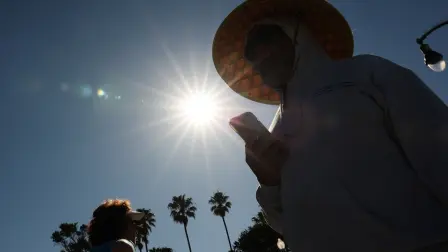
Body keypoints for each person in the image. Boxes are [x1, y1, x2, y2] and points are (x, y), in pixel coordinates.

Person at [212, 0, 448, 251]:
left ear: (296, 33)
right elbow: (285, 224)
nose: (258, 57)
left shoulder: (368, 73)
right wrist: (268, 182)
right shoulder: (275, 130)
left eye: (265, 40)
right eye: (251, 53)